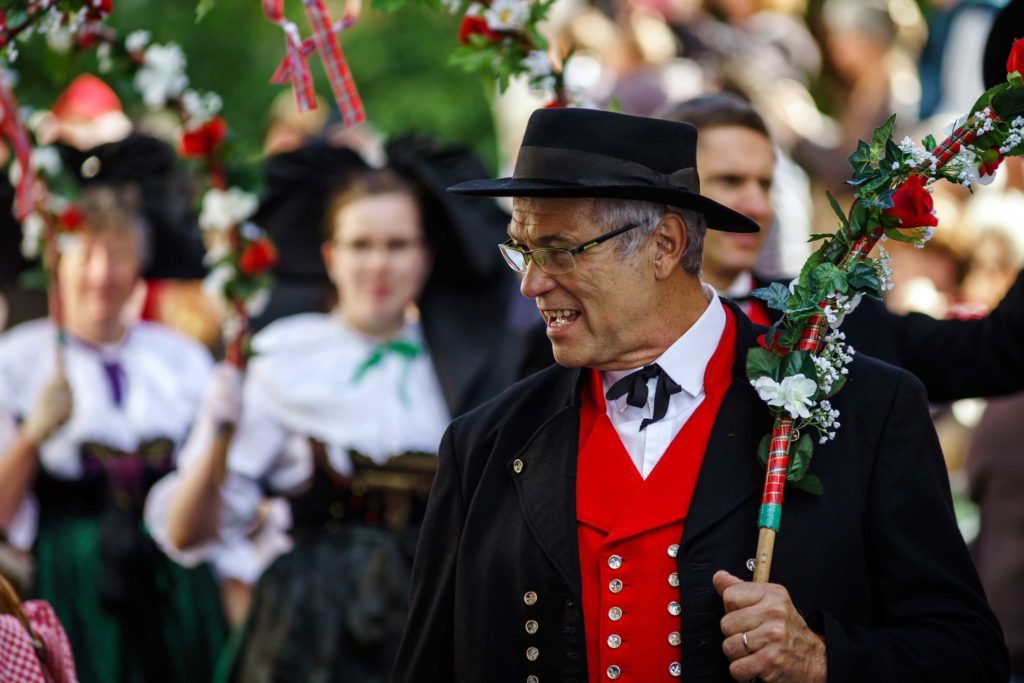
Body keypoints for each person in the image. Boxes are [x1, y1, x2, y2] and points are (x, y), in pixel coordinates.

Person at [393, 107, 1009, 682]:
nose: (530, 284)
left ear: (664, 245)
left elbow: (969, 654)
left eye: (558, 252)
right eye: (523, 251)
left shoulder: (867, 409)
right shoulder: (484, 444)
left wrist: (824, 659)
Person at [147, 138, 521, 682]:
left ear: (426, 256)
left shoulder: (462, 367)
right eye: (360, 245)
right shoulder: (283, 360)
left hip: (438, 623)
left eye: (397, 245)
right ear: (330, 257)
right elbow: (188, 534)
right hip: (312, 637)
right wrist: (220, 436)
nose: (378, 264)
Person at [655, 92, 1024, 403]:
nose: (758, 206)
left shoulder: (839, 317)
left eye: (765, 185)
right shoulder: (623, 327)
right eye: (730, 181)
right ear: (665, 195)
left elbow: (995, 351)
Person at [0, 174, 226, 681]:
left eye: (118, 255)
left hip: (172, 587)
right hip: (73, 582)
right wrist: (35, 433)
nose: (102, 275)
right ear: (56, 264)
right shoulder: (16, 361)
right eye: (85, 256)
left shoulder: (180, 358)